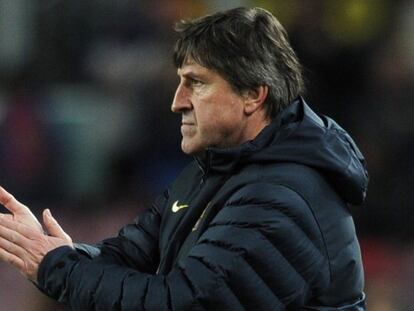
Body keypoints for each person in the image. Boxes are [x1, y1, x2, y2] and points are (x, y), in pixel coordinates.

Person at [0, 7, 368, 310]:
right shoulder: (216, 169)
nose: (177, 101)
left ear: (253, 96)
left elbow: (182, 302)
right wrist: (64, 254)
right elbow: (132, 253)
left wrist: (59, 269)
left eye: (198, 83)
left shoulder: (281, 196)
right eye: (180, 81)